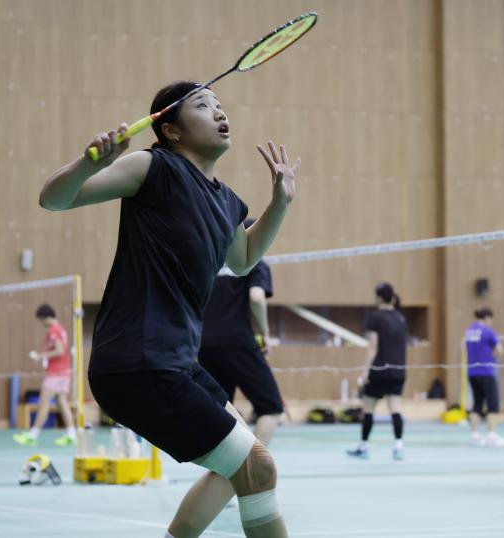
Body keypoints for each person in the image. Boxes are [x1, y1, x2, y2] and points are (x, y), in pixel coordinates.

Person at [39, 80, 300, 538]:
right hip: (138, 362)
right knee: (257, 466)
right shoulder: (154, 167)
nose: (219, 112)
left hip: (178, 362)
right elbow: (54, 199)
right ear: (172, 131)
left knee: (242, 464)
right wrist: (90, 163)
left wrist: (279, 203)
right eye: (202, 105)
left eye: (219, 105)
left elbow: (243, 259)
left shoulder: (227, 201)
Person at [199, 221, 284, 446]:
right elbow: (256, 298)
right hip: (237, 341)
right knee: (271, 407)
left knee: (222, 410)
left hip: (204, 344)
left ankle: (228, 464)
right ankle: (254, 463)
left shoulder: (214, 262)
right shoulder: (255, 261)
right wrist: (265, 334)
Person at [347, 283, 408, 461]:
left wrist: (365, 372)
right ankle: (398, 446)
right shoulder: (400, 318)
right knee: (395, 408)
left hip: (379, 370)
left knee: (368, 409)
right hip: (398, 371)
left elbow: (373, 346)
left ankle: (363, 446)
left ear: (379, 298)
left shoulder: (375, 318)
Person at [13, 304, 77, 447]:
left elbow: (59, 351)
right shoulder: (60, 329)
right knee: (62, 402)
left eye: (41, 320)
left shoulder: (54, 331)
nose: (41, 323)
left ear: (46, 317)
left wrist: (41, 356)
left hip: (56, 373)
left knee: (43, 403)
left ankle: (32, 435)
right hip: (64, 372)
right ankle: (71, 434)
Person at [464, 308, 504, 447]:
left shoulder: (469, 331)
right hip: (487, 372)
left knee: (477, 405)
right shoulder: (488, 331)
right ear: (487, 318)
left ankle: (474, 435)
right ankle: (492, 435)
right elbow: (500, 350)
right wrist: (493, 357)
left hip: (472, 372)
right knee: (492, 404)